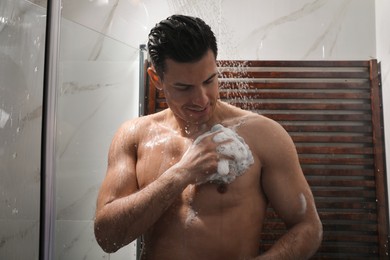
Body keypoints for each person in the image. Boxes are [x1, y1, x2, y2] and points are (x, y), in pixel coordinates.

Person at [94, 14, 323, 259]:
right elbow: (108, 237)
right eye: (184, 87)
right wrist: (181, 173)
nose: (202, 99)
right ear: (156, 79)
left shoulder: (263, 135)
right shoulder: (133, 135)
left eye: (209, 80)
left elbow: (308, 227)